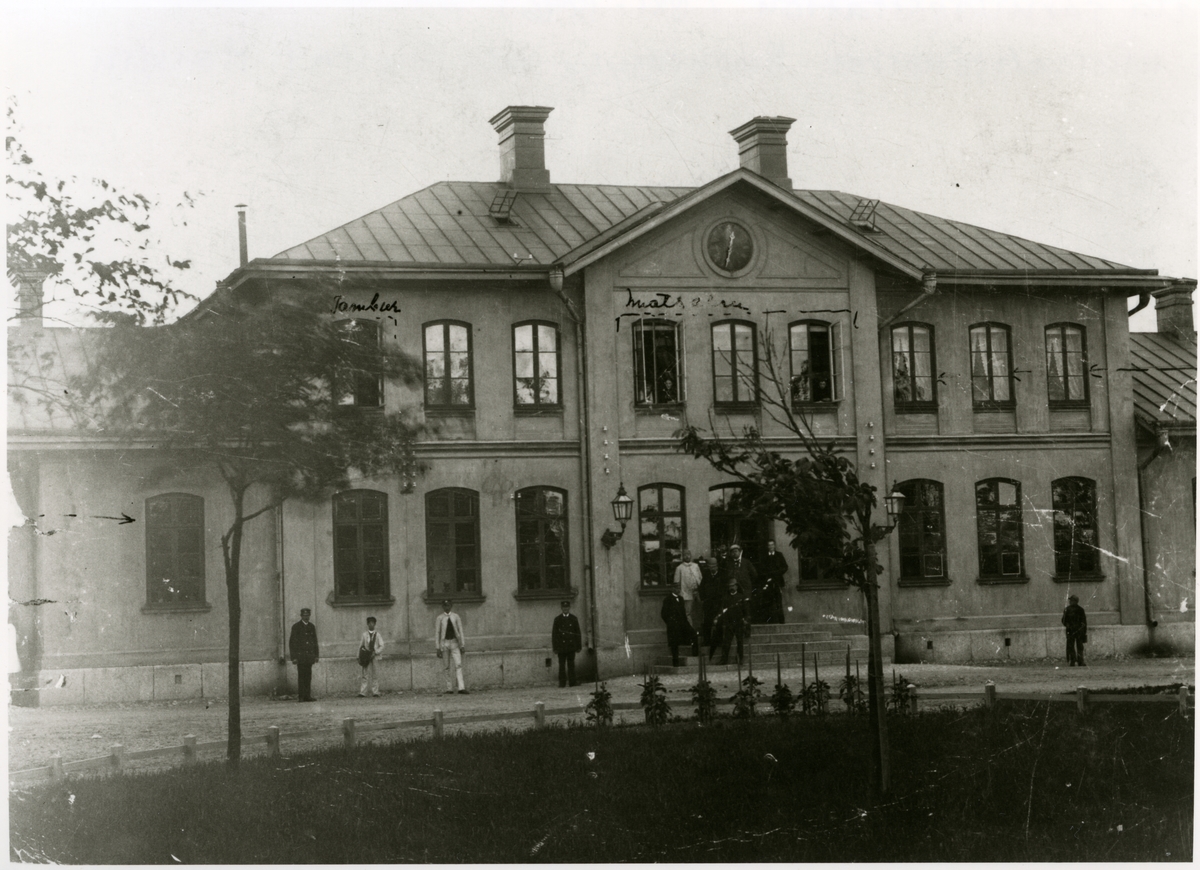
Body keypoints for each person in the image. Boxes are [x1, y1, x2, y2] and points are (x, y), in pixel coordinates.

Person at [716, 544, 756, 665]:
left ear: (740, 552)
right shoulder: (728, 563)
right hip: (733, 591)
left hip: (745, 589)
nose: (734, 553)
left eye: (736, 551)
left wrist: (747, 584)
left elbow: (754, 574)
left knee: (746, 609)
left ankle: (747, 629)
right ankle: (725, 658)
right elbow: (724, 576)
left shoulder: (746, 562)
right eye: (732, 552)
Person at [435, 599, 468, 694]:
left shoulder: (456, 617)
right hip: (444, 643)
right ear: (442, 607)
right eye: (445, 606)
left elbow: (460, 631)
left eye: (448, 605)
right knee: (446, 666)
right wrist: (438, 648)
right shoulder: (440, 618)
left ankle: (461, 687)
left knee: (458, 664)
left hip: (454, 643)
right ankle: (449, 688)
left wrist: (462, 644)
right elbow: (437, 633)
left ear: (451, 606)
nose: (447, 607)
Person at [673, 549, 703, 656]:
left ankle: (699, 630)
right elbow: (676, 582)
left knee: (699, 612)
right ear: (682, 557)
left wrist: (698, 589)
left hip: (697, 592)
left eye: (688, 554)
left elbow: (700, 578)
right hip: (686, 594)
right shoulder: (679, 568)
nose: (687, 556)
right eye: (685, 555)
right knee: (688, 613)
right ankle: (691, 631)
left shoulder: (695, 566)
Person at [288, 607, 319, 702]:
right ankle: (301, 696)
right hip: (300, 656)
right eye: (304, 615)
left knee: (308, 676)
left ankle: (307, 696)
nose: (306, 617)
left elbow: (314, 641)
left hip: (309, 656)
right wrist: (293, 657)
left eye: (307, 615)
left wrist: (316, 655)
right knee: (301, 676)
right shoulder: (296, 627)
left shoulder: (311, 627)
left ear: (309, 616)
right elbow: (292, 643)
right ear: (301, 616)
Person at [660, 588, 695, 667]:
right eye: (676, 588)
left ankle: (695, 655)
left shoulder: (681, 599)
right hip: (673, 625)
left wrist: (685, 622)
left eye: (679, 588)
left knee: (693, 634)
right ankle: (675, 662)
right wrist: (670, 622)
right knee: (674, 643)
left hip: (682, 623)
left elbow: (683, 612)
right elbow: (663, 614)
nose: (678, 590)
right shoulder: (667, 599)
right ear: (672, 589)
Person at [551, 600, 583, 687]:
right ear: (561, 608)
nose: (565, 609)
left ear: (569, 608)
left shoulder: (573, 619)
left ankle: (572, 682)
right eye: (564, 607)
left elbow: (577, 633)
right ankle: (562, 683)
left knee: (571, 665)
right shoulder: (557, 619)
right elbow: (554, 635)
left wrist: (579, 646)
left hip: (571, 646)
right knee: (561, 666)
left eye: (567, 607)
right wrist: (555, 647)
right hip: (561, 647)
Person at [761, 541, 789, 625]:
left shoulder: (779, 555)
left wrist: (777, 573)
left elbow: (785, 567)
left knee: (778, 601)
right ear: (767, 547)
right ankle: (769, 621)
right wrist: (767, 576)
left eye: (772, 545)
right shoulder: (765, 557)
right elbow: (762, 569)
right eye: (769, 545)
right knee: (768, 600)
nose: (771, 546)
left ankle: (781, 621)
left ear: (775, 546)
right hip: (768, 582)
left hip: (777, 581)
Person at [357, 616, 385, 697]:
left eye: (373, 623)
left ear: (375, 624)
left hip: (375, 656)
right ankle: (363, 692)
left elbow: (382, 645)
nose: (371, 625)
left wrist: (376, 652)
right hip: (366, 656)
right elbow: (360, 646)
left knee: (375, 674)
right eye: (369, 623)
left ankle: (375, 692)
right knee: (365, 673)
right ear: (367, 624)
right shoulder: (364, 635)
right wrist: (358, 656)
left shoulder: (378, 635)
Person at [1062, 594, 1087, 666]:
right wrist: (1084, 631)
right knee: (1079, 646)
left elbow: (1063, 620)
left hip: (1070, 630)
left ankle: (1072, 661)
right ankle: (1080, 661)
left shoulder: (1067, 609)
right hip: (1079, 630)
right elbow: (1084, 622)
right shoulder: (1081, 610)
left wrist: (1067, 625)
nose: (1070, 601)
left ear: (1074, 601)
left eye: (1071, 600)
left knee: (1071, 646)